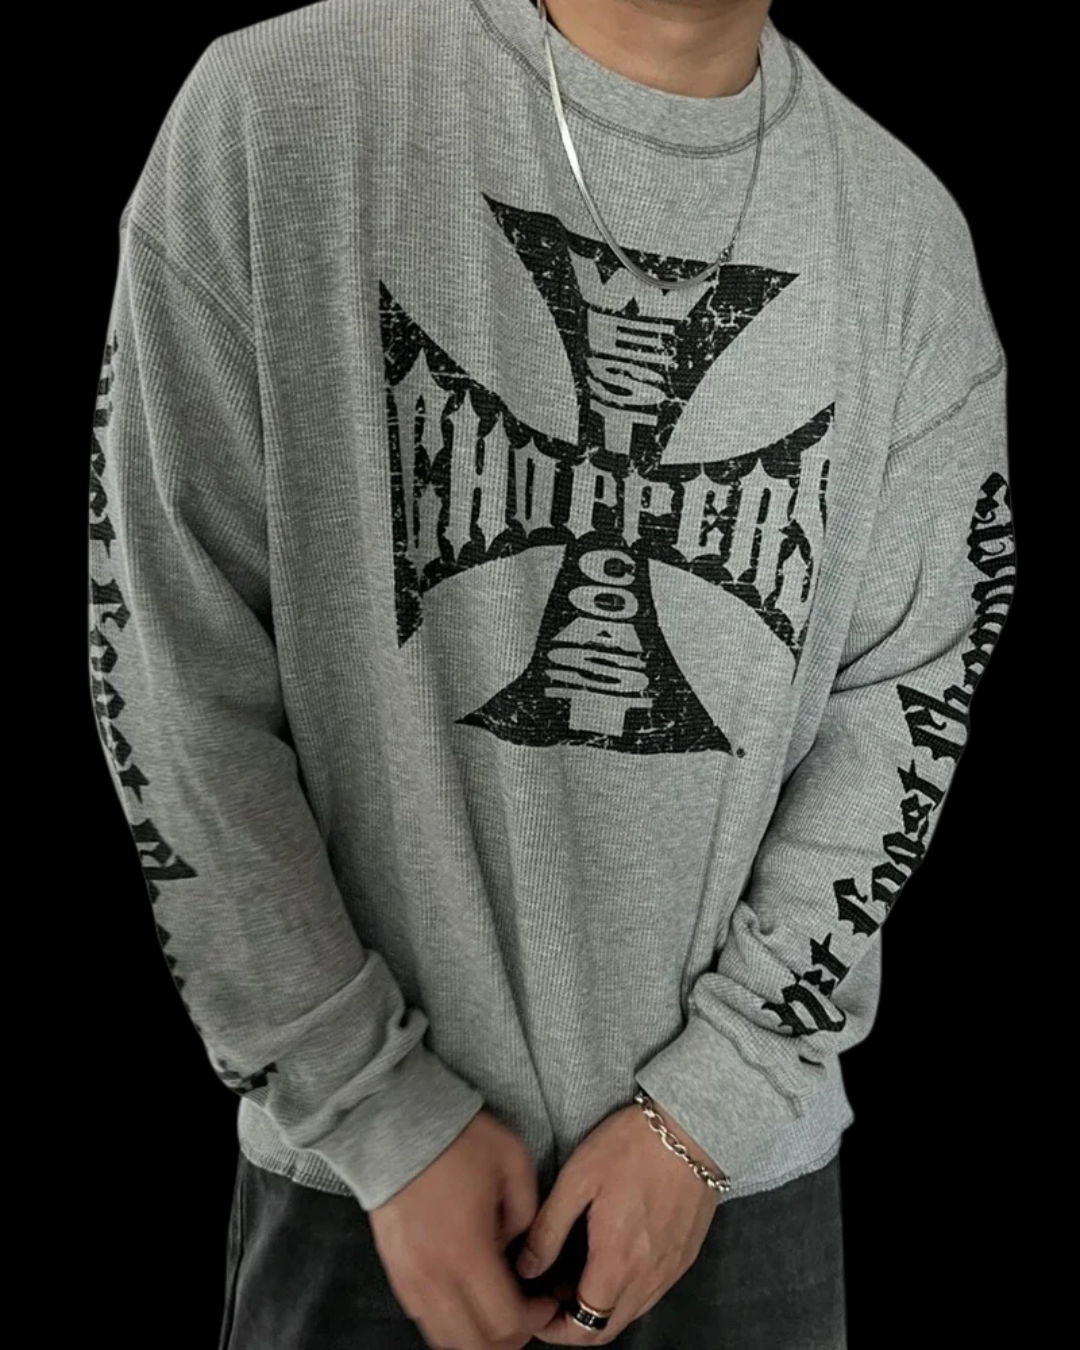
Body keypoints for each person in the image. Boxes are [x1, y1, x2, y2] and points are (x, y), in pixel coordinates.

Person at [86, 1, 1016, 1347]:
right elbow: (171, 661)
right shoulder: (276, 109)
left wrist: (710, 1108)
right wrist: (370, 1102)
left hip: (737, 1203)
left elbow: (907, 708)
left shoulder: (908, 239)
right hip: (361, 1194)